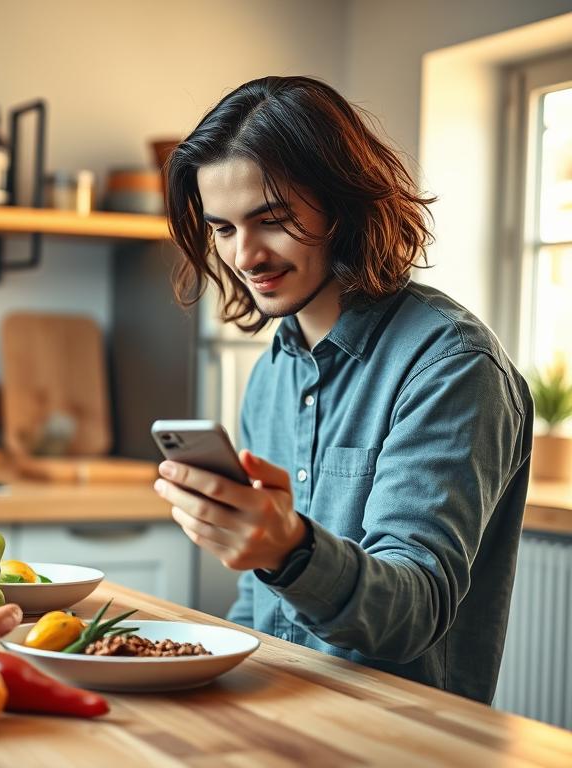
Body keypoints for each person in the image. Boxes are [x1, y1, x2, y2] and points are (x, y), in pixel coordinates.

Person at [153, 75, 533, 704]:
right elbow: (257, 601)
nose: (245, 255)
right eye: (222, 229)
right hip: (282, 716)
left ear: (343, 206)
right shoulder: (273, 371)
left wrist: (291, 551)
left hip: (400, 738)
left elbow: (413, 610)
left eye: (270, 220)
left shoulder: (451, 365)